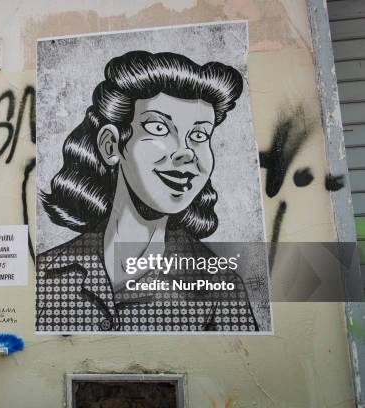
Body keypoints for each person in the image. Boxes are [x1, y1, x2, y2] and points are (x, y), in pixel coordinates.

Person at [36, 51, 259, 332]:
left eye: (200, 135)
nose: (185, 153)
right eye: (158, 128)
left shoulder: (219, 288)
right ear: (111, 146)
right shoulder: (45, 274)